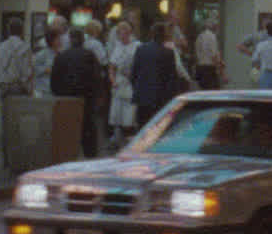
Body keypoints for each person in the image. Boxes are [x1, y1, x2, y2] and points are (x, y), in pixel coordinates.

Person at [51, 28, 106, 158]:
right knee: (88, 127)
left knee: (68, 127)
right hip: (87, 97)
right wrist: (99, 96)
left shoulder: (62, 56)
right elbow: (97, 77)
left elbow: (54, 80)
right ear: (83, 40)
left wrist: (59, 94)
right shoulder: (90, 55)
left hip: (67, 98)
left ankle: (68, 153)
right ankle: (90, 155)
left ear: (70, 40)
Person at [130, 22, 185, 129]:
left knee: (143, 127)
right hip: (160, 97)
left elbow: (134, 73)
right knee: (157, 128)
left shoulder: (141, 49)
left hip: (143, 96)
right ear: (164, 35)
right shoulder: (168, 53)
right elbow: (171, 78)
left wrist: (137, 88)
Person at [106, 19, 139, 147]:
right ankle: (116, 137)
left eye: (124, 30)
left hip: (131, 85)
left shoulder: (137, 46)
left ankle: (130, 139)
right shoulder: (117, 47)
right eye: (119, 31)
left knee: (129, 115)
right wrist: (112, 80)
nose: (121, 33)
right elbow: (111, 67)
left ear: (130, 31)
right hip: (119, 84)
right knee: (116, 114)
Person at [0, 15, 32, 100]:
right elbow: (26, 71)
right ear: (22, 31)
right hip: (18, 87)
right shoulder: (25, 48)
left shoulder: (0, 47)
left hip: (3, 87)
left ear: (8, 30)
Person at [194, 15, 224, 91]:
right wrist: (222, 73)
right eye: (217, 26)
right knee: (213, 94)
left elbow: (197, 55)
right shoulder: (212, 37)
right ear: (213, 26)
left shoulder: (199, 37)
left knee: (203, 93)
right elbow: (214, 56)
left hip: (200, 68)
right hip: (209, 70)